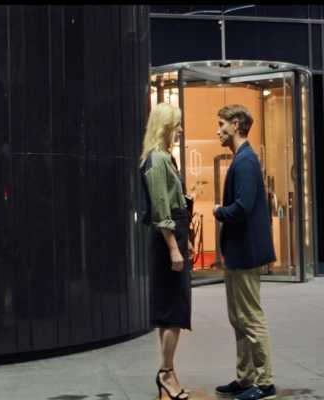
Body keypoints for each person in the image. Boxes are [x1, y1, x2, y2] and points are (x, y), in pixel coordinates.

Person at [212, 104, 277, 400]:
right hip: (239, 252)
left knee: (250, 317)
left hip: (246, 253)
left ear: (236, 124)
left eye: (221, 124)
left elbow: (243, 207)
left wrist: (219, 211)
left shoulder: (246, 161)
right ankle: (246, 377)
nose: (218, 131)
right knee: (239, 318)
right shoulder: (243, 159)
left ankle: (264, 382)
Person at [139, 102, 192, 400]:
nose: (180, 130)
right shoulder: (158, 159)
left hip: (173, 236)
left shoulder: (160, 158)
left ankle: (168, 372)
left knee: (169, 311)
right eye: (177, 125)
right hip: (168, 239)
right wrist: (174, 248)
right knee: (175, 312)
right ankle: (166, 373)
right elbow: (161, 210)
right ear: (165, 127)